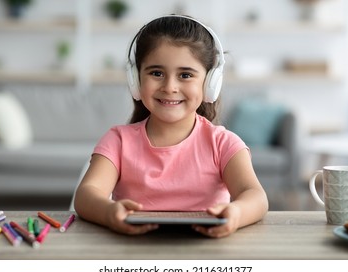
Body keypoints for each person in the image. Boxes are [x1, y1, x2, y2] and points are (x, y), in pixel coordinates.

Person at [74, 15, 268, 238]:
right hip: (132, 250)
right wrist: (109, 212)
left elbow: (256, 196)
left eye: (185, 75)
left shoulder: (224, 144)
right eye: (156, 73)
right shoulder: (117, 140)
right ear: (136, 79)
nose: (170, 87)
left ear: (209, 83)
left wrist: (236, 212)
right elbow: (87, 194)